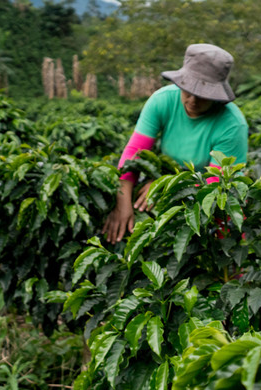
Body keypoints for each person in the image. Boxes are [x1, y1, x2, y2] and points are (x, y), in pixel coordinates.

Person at [103, 43, 248, 242]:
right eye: (188, 90)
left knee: (222, 255)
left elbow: (216, 185)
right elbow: (134, 153)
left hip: (218, 201)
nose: (193, 100)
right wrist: (123, 202)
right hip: (171, 186)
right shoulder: (162, 100)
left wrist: (167, 186)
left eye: (203, 95)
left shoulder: (232, 124)